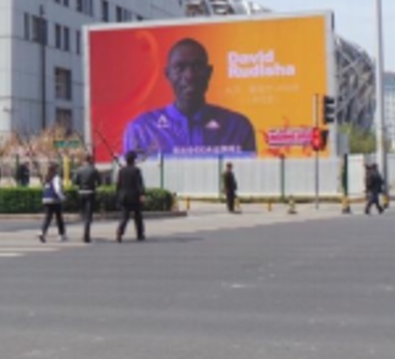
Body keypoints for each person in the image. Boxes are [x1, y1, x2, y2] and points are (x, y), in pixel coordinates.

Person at [122, 38, 257, 158]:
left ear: (209, 73)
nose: (189, 76)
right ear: (168, 74)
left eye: (197, 66)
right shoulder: (142, 129)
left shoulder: (237, 127)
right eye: (179, 68)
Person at [115, 151, 146, 243]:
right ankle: (140, 234)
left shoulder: (121, 171)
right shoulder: (136, 170)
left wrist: (118, 196)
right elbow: (139, 184)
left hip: (124, 197)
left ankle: (120, 231)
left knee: (124, 216)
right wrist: (142, 194)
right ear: (133, 160)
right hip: (134, 197)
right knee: (138, 216)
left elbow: (118, 185)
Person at [73, 154, 102, 243]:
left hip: (81, 193)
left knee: (84, 214)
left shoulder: (79, 170)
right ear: (90, 160)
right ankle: (86, 234)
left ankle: (85, 230)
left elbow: (75, 181)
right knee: (89, 215)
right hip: (90, 193)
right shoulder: (94, 170)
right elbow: (99, 182)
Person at [38, 163, 67, 243]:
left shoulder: (47, 178)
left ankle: (42, 232)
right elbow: (57, 190)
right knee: (59, 218)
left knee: (47, 218)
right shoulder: (56, 178)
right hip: (55, 200)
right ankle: (61, 234)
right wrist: (63, 197)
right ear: (55, 170)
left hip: (46, 199)